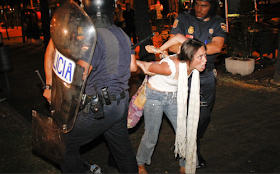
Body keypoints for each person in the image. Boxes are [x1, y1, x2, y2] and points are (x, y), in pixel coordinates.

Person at [43, 0, 139, 173]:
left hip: (101, 108)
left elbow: (81, 74)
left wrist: (54, 87)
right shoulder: (123, 34)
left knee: (63, 143)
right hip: (120, 103)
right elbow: (132, 67)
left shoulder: (93, 37)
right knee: (123, 152)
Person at [136, 34, 207, 174]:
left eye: (205, 55)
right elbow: (144, 65)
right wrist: (138, 63)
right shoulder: (169, 68)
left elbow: (178, 37)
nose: (205, 60)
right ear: (189, 58)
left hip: (174, 96)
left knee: (185, 132)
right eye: (200, 57)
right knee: (151, 135)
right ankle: (140, 163)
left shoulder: (189, 49)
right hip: (155, 97)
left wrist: (159, 49)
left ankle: (185, 164)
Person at [169, 0, 227, 171]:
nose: (199, 9)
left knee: (204, 114)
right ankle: (192, 148)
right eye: (197, 4)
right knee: (184, 111)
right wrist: (199, 52)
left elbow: (217, 46)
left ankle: (195, 138)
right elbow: (173, 44)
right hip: (185, 73)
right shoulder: (183, 18)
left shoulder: (218, 22)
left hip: (206, 74)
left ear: (212, 6)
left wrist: (190, 51)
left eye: (204, 5)